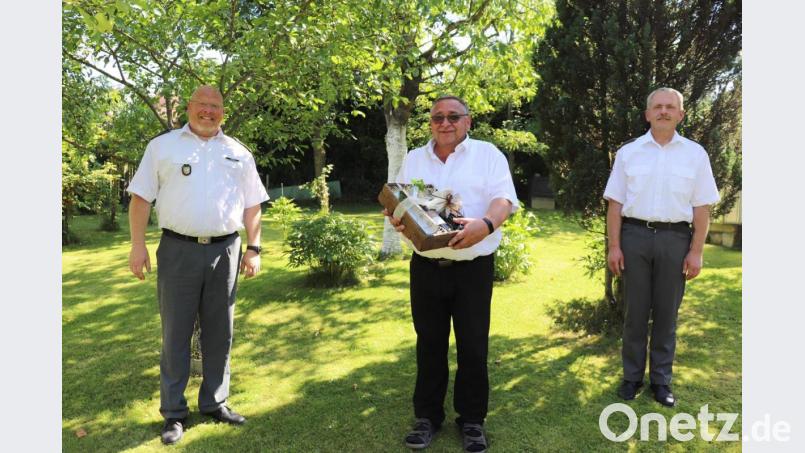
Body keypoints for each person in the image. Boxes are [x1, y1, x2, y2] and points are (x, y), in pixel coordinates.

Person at [127, 85, 269, 444]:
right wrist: (138, 246)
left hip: (226, 251)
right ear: (188, 108)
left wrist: (254, 248)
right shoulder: (162, 147)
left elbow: (253, 204)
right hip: (177, 250)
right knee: (176, 333)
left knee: (220, 331)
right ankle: (174, 413)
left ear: (223, 112)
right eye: (202, 104)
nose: (208, 111)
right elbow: (141, 198)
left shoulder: (239, 152)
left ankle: (215, 402)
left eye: (215, 106)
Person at [385, 95, 518, 453]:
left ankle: (472, 421)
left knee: (473, 346)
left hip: (472, 269)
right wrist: (398, 218)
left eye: (453, 117)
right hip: (426, 267)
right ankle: (427, 417)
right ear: (430, 123)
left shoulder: (488, 155)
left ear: (468, 121)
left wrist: (485, 225)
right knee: (429, 344)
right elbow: (401, 200)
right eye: (438, 117)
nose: (445, 123)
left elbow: (504, 201)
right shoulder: (414, 158)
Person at [603, 87, 720, 408]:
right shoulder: (629, 153)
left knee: (667, 314)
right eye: (657, 107)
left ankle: (661, 381)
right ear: (647, 114)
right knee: (635, 313)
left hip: (675, 239)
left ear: (681, 115)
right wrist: (615, 246)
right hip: (634, 237)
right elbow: (615, 205)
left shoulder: (695, 155)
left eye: (670, 107)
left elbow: (702, 208)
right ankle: (631, 377)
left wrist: (696, 251)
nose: (663, 111)